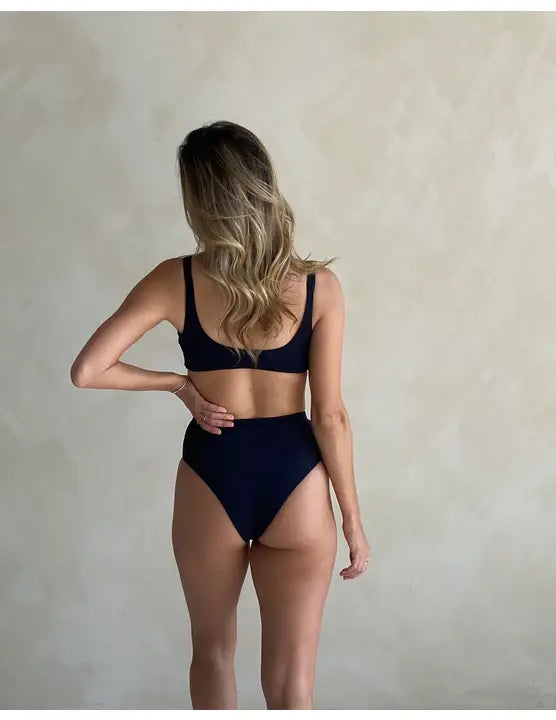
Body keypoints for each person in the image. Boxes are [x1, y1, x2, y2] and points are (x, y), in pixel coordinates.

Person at [70, 120, 370, 710]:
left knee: (212, 652)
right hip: (297, 478)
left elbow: (88, 370)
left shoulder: (175, 279)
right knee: (293, 683)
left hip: (214, 470)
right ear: (263, 185)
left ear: (200, 200)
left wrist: (180, 385)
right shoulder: (320, 287)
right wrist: (353, 521)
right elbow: (330, 416)